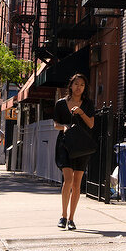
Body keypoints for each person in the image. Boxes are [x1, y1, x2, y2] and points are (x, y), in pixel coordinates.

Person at [53, 73, 95, 230]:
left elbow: (91, 124)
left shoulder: (88, 104)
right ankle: (63, 216)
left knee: (77, 183)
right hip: (65, 144)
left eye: (82, 85)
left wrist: (81, 113)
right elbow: (55, 124)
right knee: (68, 179)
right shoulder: (60, 104)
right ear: (70, 85)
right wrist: (63, 127)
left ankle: (71, 218)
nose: (79, 87)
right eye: (76, 84)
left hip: (81, 145)